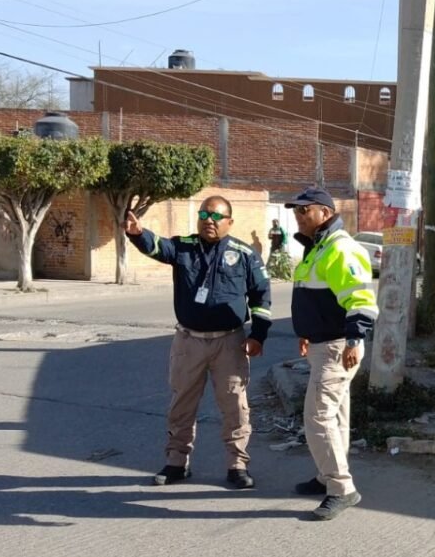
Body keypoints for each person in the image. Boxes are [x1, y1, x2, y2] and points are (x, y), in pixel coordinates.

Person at [124, 195, 272, 489]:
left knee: (235, 407)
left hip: (229, 343)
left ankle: (237, 465)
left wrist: (258, 336)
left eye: (217, 216)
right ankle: (177, 462)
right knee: (182, 404)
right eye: (204, 214)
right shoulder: (184, 247)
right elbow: (158, 247)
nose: (209, 221)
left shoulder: (244, 254)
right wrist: (137, 234)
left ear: (230, 221)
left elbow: (261, 297)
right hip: (188, 341)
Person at [285, 187, 378, 520]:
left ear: (324, 213)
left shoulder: (340, 248)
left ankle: (342, 488)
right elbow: (317, 299)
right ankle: (327, 477)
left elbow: (360, 299)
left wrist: (354, 340)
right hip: (324, 345)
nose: (299, 216)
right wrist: (307, 335)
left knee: (318, 416)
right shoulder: (318, 249)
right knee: (335, 416)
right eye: (296, 211)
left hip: (339, 347)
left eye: (304, 210)